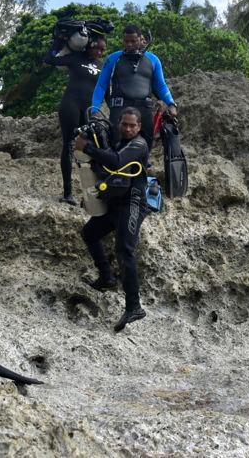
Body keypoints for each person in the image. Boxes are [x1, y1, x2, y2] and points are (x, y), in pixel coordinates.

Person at [75, 107, 152, 332]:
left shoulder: (139, 145)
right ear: (119, 124)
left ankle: (134, 307)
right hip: (115, 204)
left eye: (132, 125)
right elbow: (106, 169)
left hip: (133, 204)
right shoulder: (120, 143)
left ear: (139, 127)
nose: (128, 128)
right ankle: (106, 278)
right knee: (89, 233)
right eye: (125, 124)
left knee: (124, 250)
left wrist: (87, 147)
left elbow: (117, 162)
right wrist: (93, 194)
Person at [89, 25, 176, 149]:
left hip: (144, 109)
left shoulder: (153, 59)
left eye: (133, 41)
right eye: (126, 41)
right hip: (120, 108)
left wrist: (171, 104)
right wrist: (95, 109)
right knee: (117, 147)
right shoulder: (113, 59)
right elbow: (101, 85)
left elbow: (161, 86)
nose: (129, 44)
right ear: (122, 41)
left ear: (141, 40)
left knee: (145, 148)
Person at [44, 35, 106, 205]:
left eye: (103, 50)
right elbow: (49, 59)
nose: (100, 52)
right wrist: (57, 42)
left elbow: (106, 89)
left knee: (89, 149)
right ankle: (67, 193)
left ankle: (94, 194)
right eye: (97, 48)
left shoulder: (102, 66)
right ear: (88, 46)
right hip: (70, 105)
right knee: (69, 145)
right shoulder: (76, 58)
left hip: (89, 109)